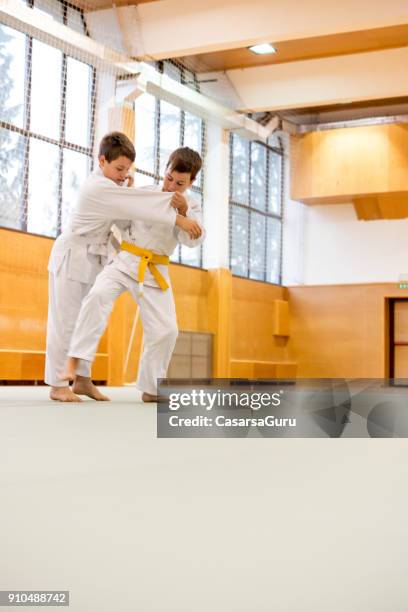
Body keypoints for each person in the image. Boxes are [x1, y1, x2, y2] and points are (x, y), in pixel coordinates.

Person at [45, 134, 201, 402]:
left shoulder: (189, 203)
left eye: (180, 183)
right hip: (101, 257)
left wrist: (186, 213)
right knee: (71, 318)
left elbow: (193, 238)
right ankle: (58, 384)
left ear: (191, 183)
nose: (172, 186)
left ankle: (97, 381)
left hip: (139, 265)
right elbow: (136, 210)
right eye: (168, 178)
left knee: (166, 329)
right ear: (102, 160)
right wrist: (178, 217)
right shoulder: (106, 189)